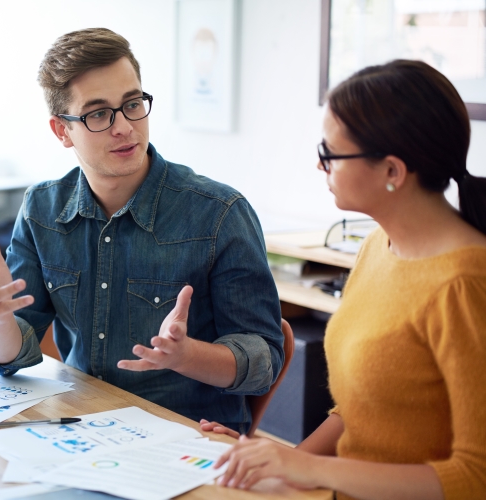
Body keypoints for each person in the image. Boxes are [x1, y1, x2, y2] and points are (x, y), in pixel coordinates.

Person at [0, 27, 284, 434]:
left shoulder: (219, 214)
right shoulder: (42, 209)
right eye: (98, 113)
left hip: (187, 438)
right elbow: (8, 359)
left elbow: (265, 363)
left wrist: (185, 355)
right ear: (62, 130)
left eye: (132, 104)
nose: (124, 127)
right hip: (80, 429)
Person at [206, 60, 486, 499]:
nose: (321, 167)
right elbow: (361, 411)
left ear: (392, 171)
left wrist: (311, 470)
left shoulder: (464, 286)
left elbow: (475, 478)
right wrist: (277, 461)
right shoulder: (378, 246)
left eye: (330, 154)